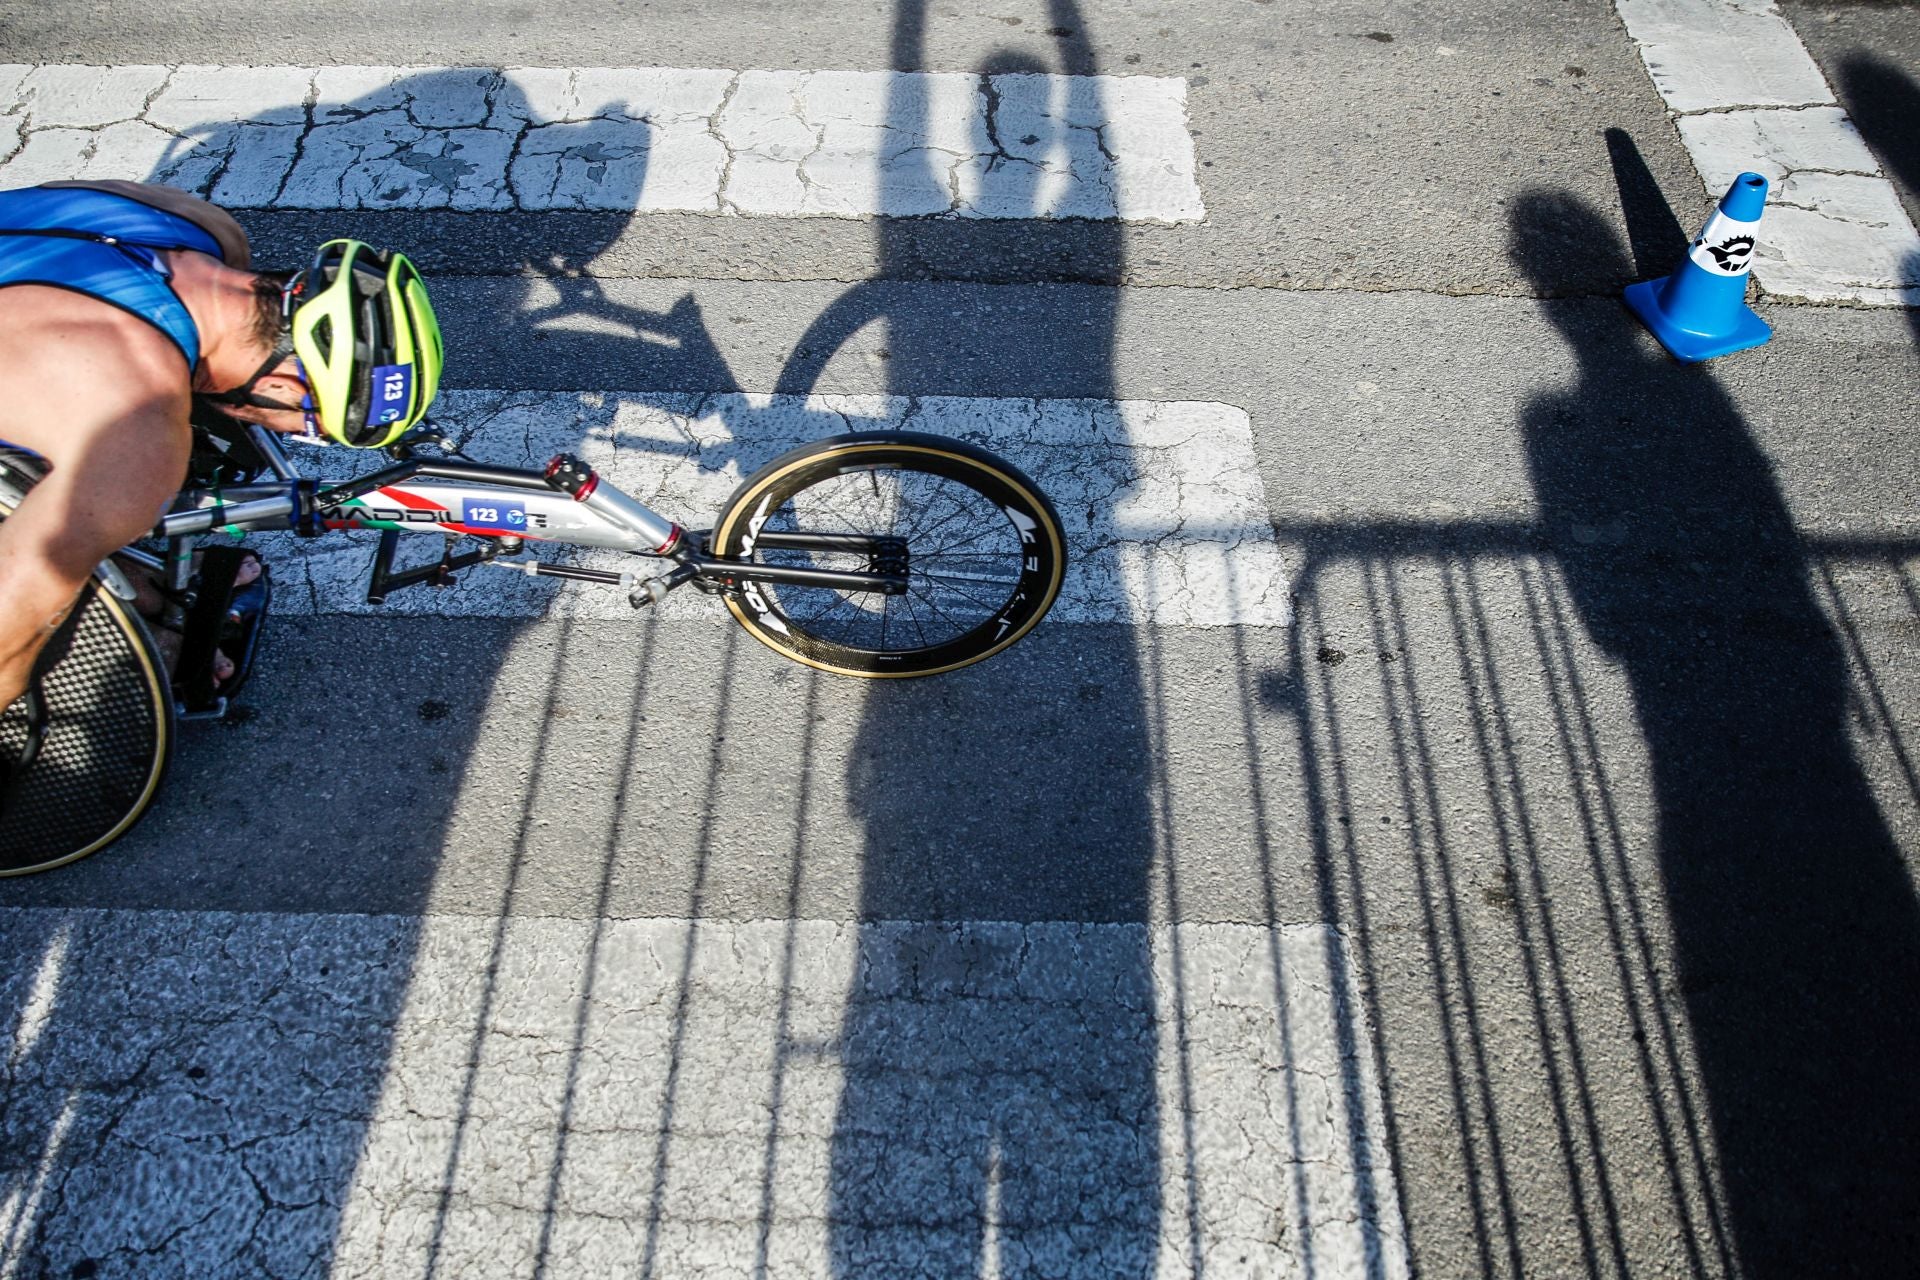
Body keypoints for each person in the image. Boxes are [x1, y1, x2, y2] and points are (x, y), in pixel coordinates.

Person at [0, 179, 443, 791]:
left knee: (135, 477)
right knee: (72, 545)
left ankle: (124, 570)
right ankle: (123, 588)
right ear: (287, 388)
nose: (299, 432)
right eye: (309, 424)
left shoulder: (199, 227)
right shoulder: (135, 414)